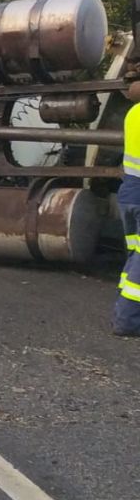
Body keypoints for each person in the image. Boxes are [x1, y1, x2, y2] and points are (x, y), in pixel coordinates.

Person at [115, 83, 140, 337]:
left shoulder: (133, 113)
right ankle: (128, 321)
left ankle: (123, 308)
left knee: (134, 254)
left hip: (130, 192)